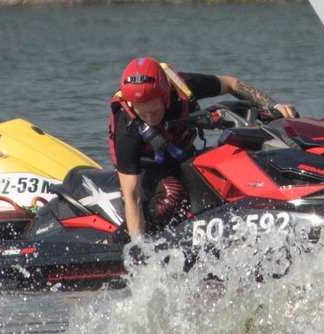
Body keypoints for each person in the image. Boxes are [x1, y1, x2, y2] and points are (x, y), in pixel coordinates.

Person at [106, 56, 296, 239]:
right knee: (170, 194)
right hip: (145, 168)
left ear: (165, 96)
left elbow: (230, 83)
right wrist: (138, 246)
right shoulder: (127, 127)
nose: (149, 118)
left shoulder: (183, 86)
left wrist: (274, 105)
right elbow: (132, 196)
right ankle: (114, 242)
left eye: (154, 111)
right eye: (142, 113)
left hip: (180, 155)